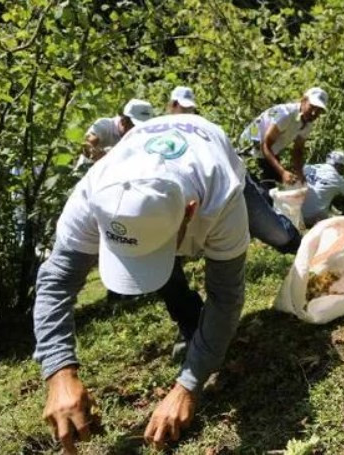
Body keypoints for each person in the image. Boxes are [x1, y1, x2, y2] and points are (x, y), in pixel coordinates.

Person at [33, 114, 250, 451]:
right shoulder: (93, 193)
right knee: (169, 281)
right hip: (153, 170)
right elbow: (56, 282)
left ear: (190, 212)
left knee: (276, 233)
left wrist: (188, 387)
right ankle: (195, 330)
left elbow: (226, 296)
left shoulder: (222, 195)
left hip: (209, 145)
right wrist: (59, 372)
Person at [239, 87, 328, 190]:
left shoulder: (308, 123)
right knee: (264, 192)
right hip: (252, 150)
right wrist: (282, 172)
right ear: (304, 100)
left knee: (280, 188)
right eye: (312, 107)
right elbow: (265, 145)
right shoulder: (285, 114)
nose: (314, 113)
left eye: (318, 110)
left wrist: (300, 175)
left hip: (269, 151)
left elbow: (298, 151)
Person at [74, 99, 154, 172]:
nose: (139, 130)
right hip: (85, 173)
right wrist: (99, 155)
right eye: (135, 126)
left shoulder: (142, 135)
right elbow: (87, 145)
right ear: (124, 121)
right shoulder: (104, 125)